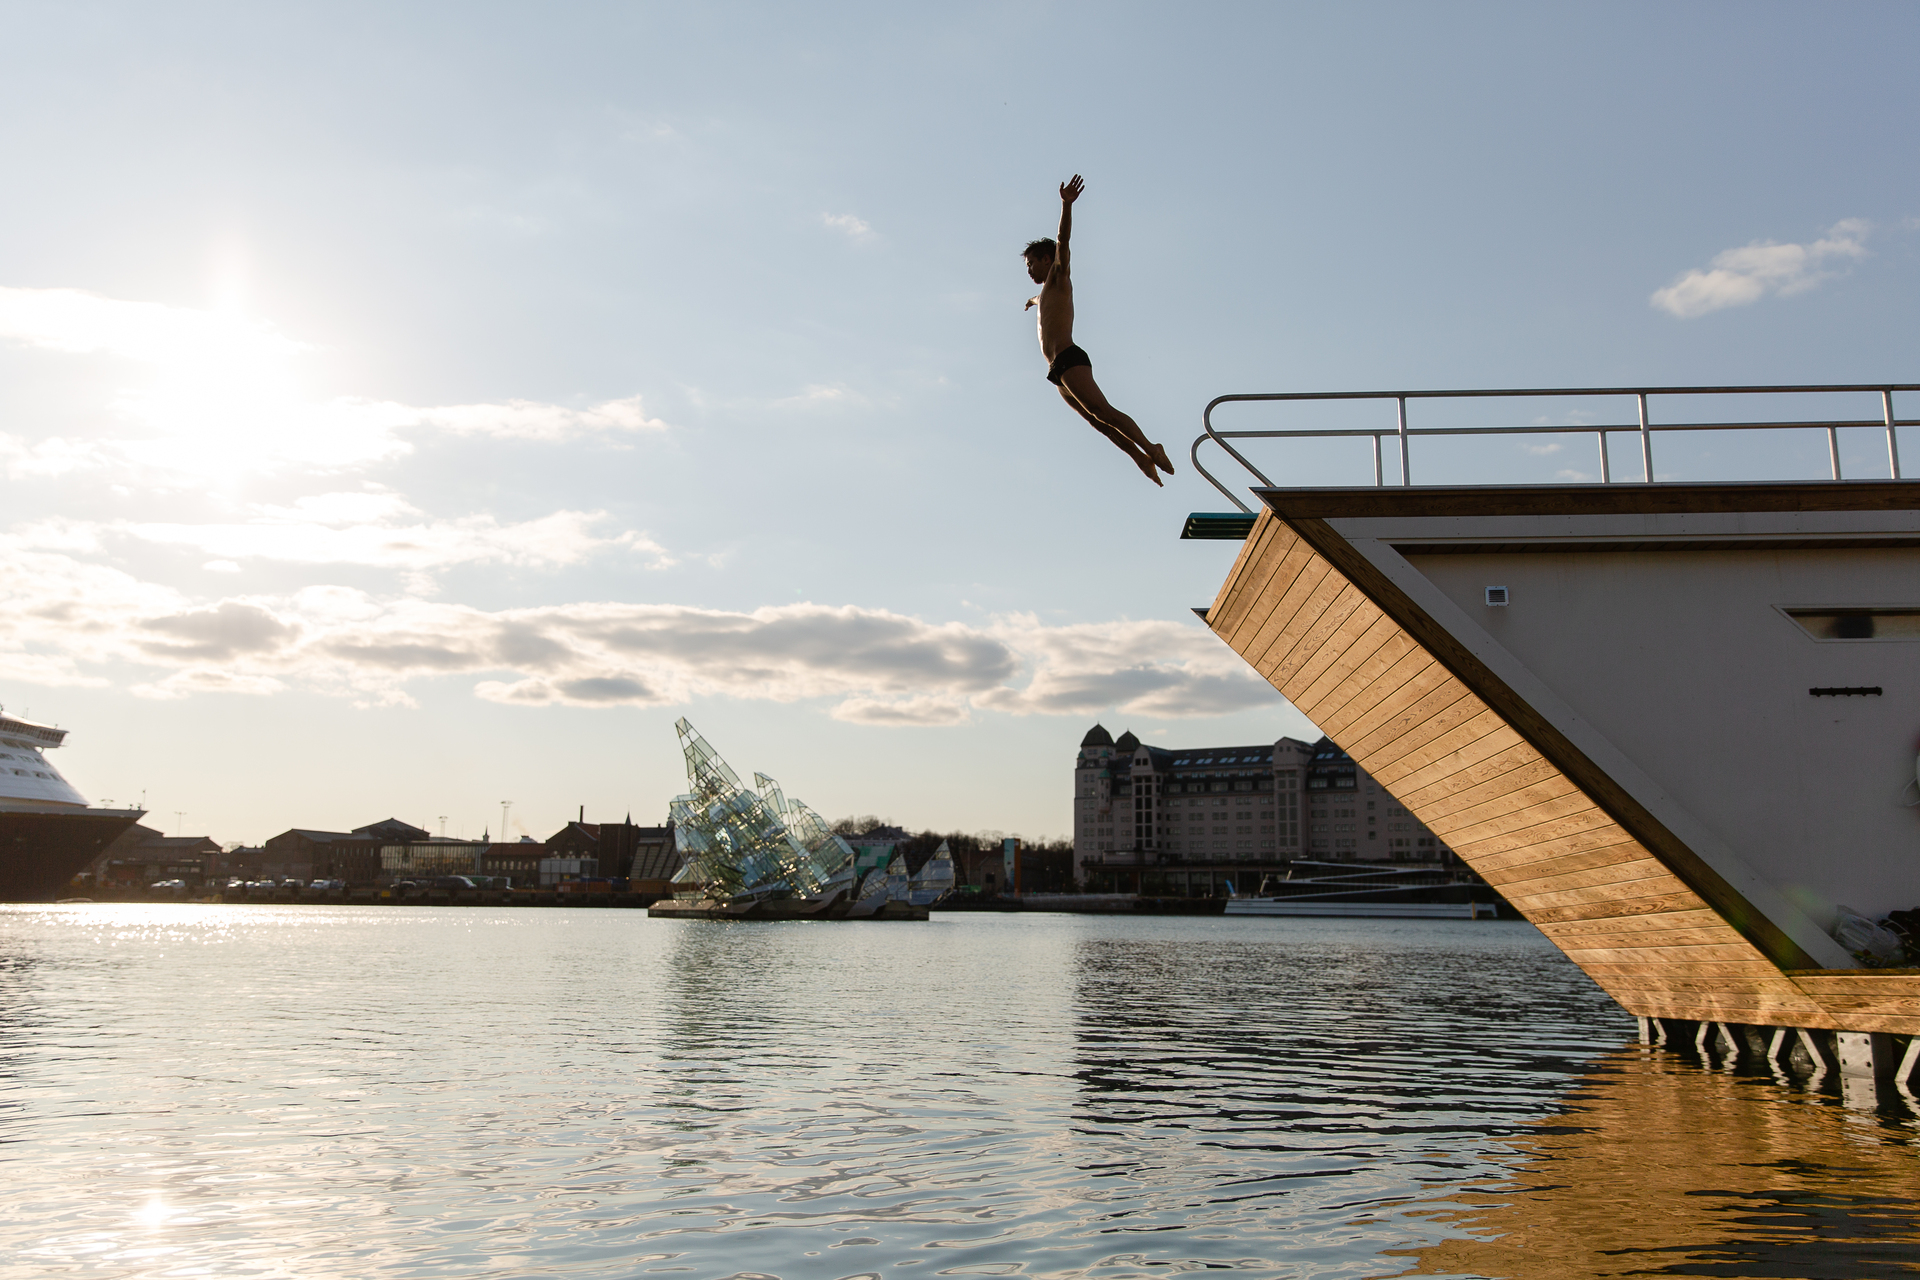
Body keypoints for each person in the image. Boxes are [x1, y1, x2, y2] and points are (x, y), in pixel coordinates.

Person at [1024, 175, 1175, 486]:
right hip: (1056, 370)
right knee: (1097, 423)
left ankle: (1150, 446)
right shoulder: (1045, 293)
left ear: (1046, 260)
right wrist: (1031, 300)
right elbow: (1041, 300)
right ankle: (1141, 459)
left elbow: (1063, 241)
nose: (1029, 270)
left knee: (1103, 410)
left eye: (1031, 264)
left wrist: (1065, 205)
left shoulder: (1059, 274)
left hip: (1069, 356)